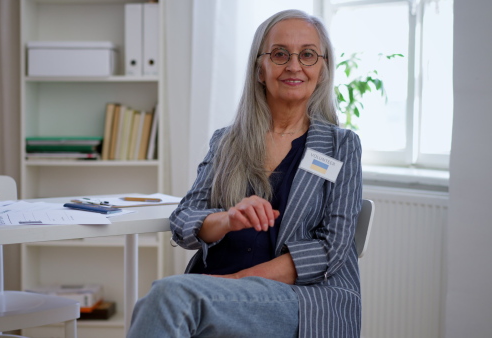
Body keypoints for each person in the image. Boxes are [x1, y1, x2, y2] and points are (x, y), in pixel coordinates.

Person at [128, 9, 362, 338]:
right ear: (259, 70)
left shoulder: (341, 147)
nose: (294, 65)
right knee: (161, 300)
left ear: (322, 70)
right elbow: (184, 219)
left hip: (299, 298)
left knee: (167, 296)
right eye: (280, 54)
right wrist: (227, 219)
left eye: (308, 55)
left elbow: (331, 247)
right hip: (215, 287)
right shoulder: (227, 141)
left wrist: (235, 283)